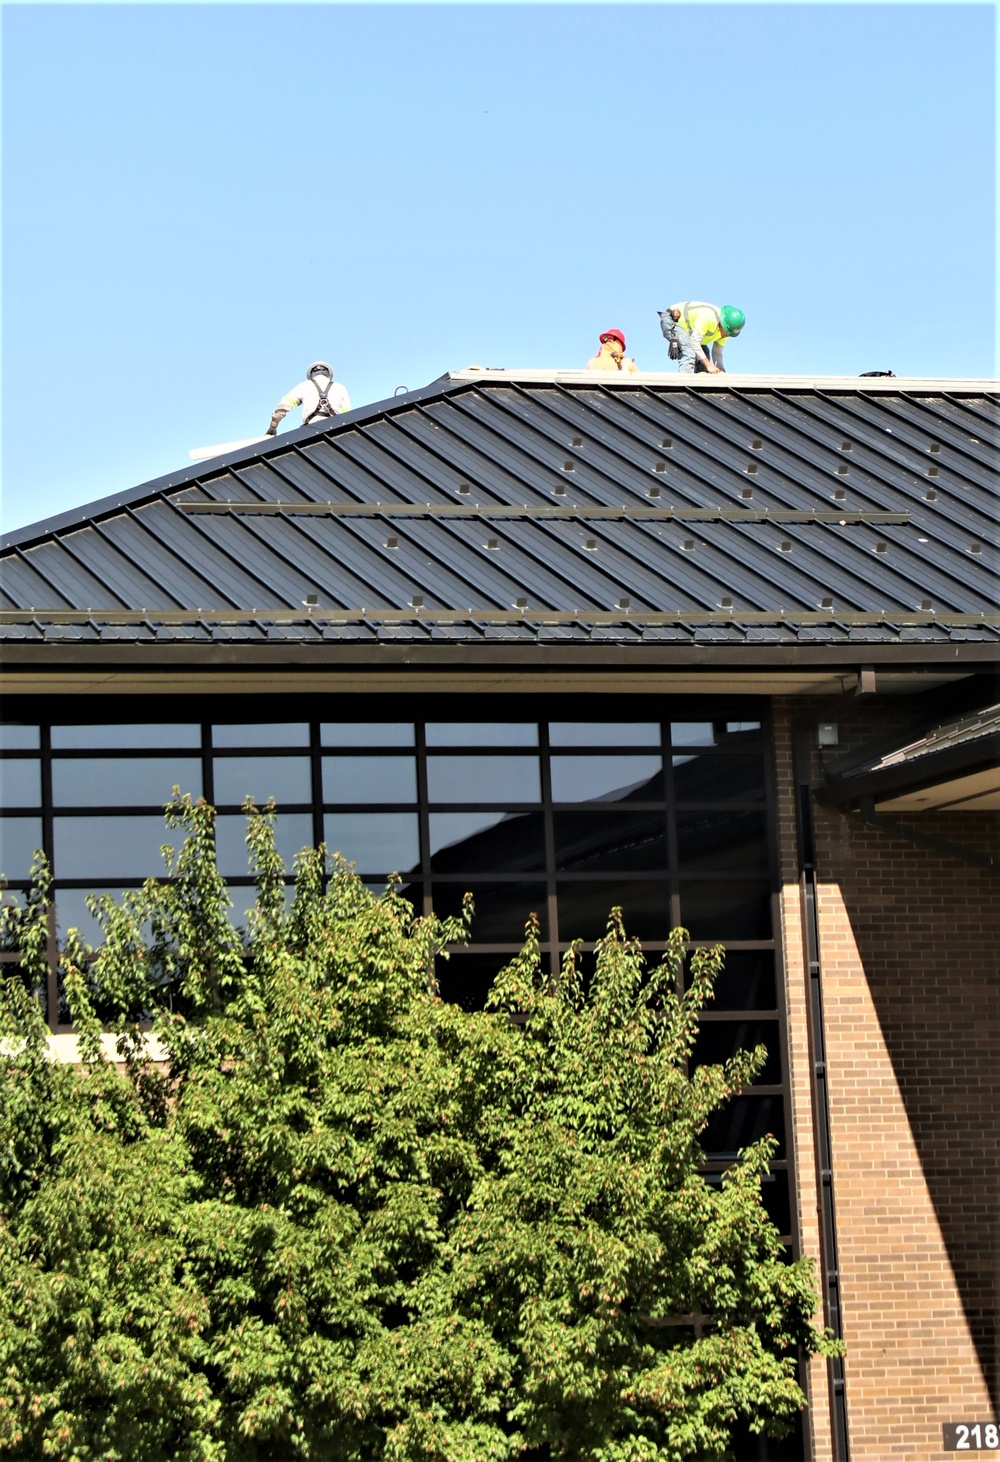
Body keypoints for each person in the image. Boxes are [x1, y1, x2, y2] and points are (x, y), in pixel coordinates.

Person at [266, 361, 351, 436]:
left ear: (311, 374)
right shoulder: (340, 387)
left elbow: (283, 406)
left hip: (311, 430)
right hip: (336, 429)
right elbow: (347, 415)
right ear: (328, 374)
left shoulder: (304, 386)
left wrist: (273, 426)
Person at [658, 303, 745, 374]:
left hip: (691, 334)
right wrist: (709, 365)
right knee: (689, 353)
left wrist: (721, 370)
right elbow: (694, 342)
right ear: (722, 324)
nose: (727, 336)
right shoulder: (709, 318)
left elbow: (717, 352)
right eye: (727, 332)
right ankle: (684, 389)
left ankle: (699, 391)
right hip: (673, 321)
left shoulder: (725, 332)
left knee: (704, 356)